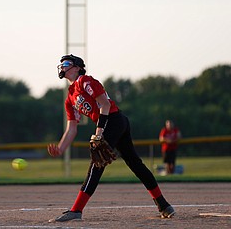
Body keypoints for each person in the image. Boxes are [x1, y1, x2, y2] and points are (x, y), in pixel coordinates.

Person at [47, 54, 175, 222]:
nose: (62, 66)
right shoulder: (69, 99)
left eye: (66, 63)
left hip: (114, 120)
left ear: (77, 67)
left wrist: (99, 131)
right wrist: (61, 148)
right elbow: (72, 128)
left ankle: (76, 210)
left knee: (97, 164)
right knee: (134, 163)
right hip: (113, 122)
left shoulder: (85, 81)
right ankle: (164, 205)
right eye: (61, 64)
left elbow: (105, 105)